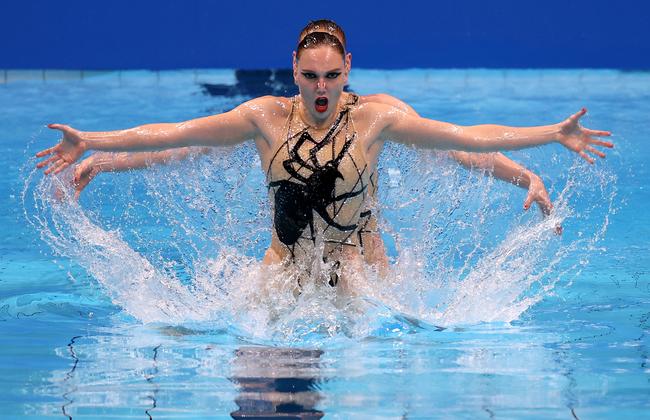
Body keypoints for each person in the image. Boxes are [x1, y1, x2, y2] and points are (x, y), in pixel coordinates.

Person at [36, 26, 612, 294]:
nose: (321, 87)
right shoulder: (264, 117)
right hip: (284, 269)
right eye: (310, 75)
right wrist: (96, 146)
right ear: (293, 69)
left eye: (332, 76)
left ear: (348, 69)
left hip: (364, 275)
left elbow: (462, 142)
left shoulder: (378, 116)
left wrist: (541, 149)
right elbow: (178, 138)